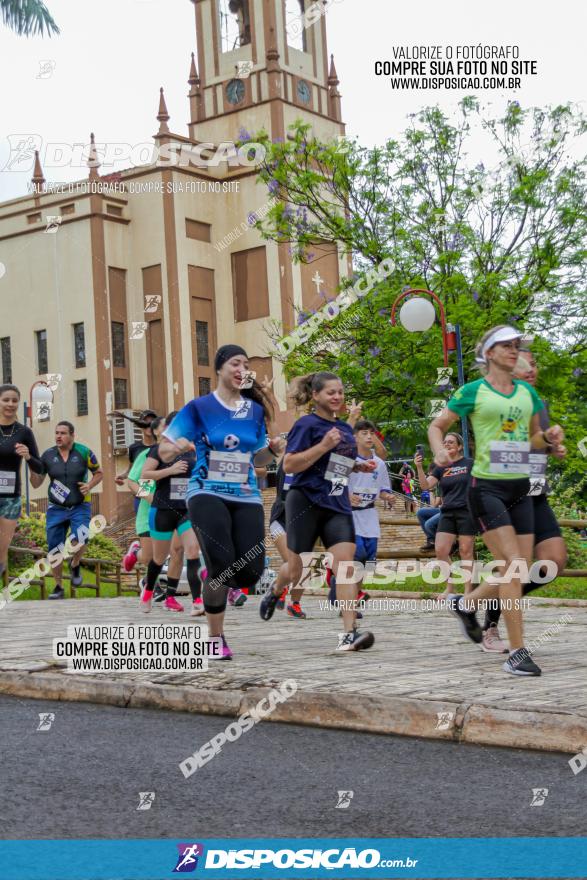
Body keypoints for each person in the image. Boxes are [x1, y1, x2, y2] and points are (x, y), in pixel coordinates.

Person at [429, 325, 564, 677]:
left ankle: (468, 605)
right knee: (516, 564)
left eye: (516, 346)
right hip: (486, 488)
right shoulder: (473, 390)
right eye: (506, 346)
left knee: (515, 567)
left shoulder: (527, 395)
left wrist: (550, 439)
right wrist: (438, 450)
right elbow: (437, 425)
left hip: (521, 488)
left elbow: (534, 440)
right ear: (489, 353)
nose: (513, 351)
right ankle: (517, 652)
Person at [158, 345, 284, 659]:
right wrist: (178, 448)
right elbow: (163, 451)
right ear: (219, 369)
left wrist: (274, 449)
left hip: (246, 494)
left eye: (245, 364)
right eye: (234, 363)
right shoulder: (199, 408)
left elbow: (258, 457)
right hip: (206, 492)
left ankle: (210, 572)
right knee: (224, 565)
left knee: (251, 572)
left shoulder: (254, 411)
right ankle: (216, 638)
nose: (241, 369)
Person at [261, 371, 377, 651]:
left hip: (336, 504)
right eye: (330, 392)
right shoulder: (307, 425)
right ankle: (275, 592)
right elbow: (289, 465)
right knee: (297, 567)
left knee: (345, 566)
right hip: (305, 503)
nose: (337, 397)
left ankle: (350, 633)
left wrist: (356, 466)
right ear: (315, 396)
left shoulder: (347, 430)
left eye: (340, 392)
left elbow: (337, 465)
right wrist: (324, 445)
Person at [481, 347, 568, 648]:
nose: (531, 368)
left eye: (533, 364)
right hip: (509, 493)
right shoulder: (497, 402)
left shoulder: (537, 402)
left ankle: (488, 602)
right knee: (515, 566)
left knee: (554, 561)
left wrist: (553, 447)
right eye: (524, 364)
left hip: (536, 491)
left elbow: (538, 444)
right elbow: (495, 447)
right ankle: (492, 626)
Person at [138, 412, 204, 616]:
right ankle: (148, 592)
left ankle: (197, 601)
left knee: (192, 552)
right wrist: (171, 470)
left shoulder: (194, 448)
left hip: (186, 509)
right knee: (158, 559)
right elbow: (144, 477)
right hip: (162, 509)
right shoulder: (159, 450)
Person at [30, 421, 103, 599]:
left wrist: (89, 485)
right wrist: (30, 465)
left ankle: (75, 563)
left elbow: (99, 472)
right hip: (56, 507)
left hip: (80, 505)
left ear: (72, 435)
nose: (58, 436)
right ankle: (58, 586)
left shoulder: (85, 452)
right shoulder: (47, 455)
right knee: (55, 548)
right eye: (56, 433)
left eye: (63, 433)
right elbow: (36, 482)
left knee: (81, 536)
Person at [416, 434, 475, 599]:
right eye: (445, 442)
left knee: (466, 552)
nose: (447, 444)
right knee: (440, 550)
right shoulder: (441, 467)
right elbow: (425, 486)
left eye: (451, 442)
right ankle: (450, 588)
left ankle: (469, 591)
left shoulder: (469, 464)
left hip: (466, 511)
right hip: (447, 512)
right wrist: (419, 467)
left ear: (460, 446)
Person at [0, 385, 44, 583]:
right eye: (6, 400)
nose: (10, 404)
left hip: (10, 497)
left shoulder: (24, 432)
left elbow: (39, 466)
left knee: (2, 549)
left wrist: (27, 457)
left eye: (14, 400)